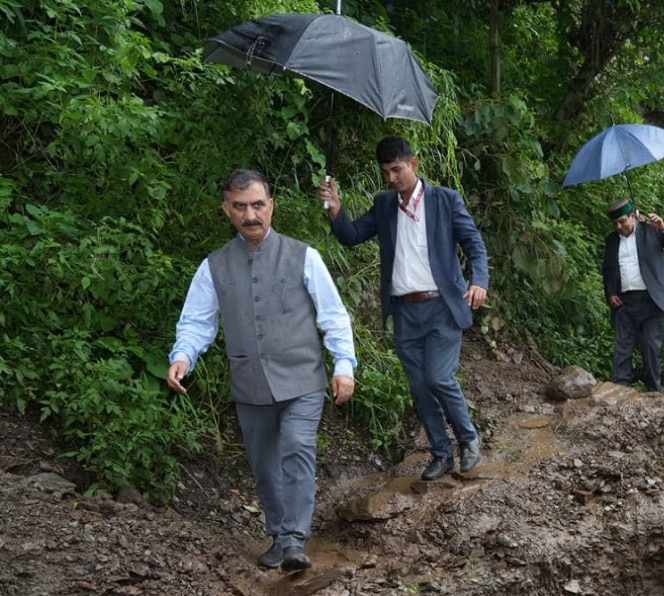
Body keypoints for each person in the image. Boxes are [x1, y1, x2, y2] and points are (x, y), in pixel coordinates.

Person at [169, 169, 357, 572]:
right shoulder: (213, 266)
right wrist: (183, 357)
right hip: (250, 382)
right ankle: (278, 534)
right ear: (227, 210)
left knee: (296, 447)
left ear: (271, 206)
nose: (250, 215)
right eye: (240, 207)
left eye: (257, 205)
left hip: (303, 378)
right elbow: (197, 321)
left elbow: (334, 316)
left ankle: (294, 539)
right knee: (264, 462)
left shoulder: (304, 256)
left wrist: (344, 365)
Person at [321, 137, 488, 483]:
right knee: (419, 387)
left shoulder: (445, 200)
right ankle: (441, 453)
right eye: (386, 172)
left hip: (442, 305)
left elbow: (474, 244)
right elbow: (352, 236)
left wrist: (479, 280)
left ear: (414, 164)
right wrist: (336, 208)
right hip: (405, 312)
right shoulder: (384, 205)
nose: (392, 178)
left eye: (397, 169)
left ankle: (469, 439)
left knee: (438, 377)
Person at [601, 199, 664, 392]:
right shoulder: (612, 241)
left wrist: (663, 227)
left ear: (632, 216)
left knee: (650, 346)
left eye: (623, 221)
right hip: (625, 301)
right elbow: (608, 269)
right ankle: (619, 388)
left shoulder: (651, 230)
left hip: (652, 300)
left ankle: (655, 388)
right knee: (623, 345)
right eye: (615, 224)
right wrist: (611, 292)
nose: (619, 227)